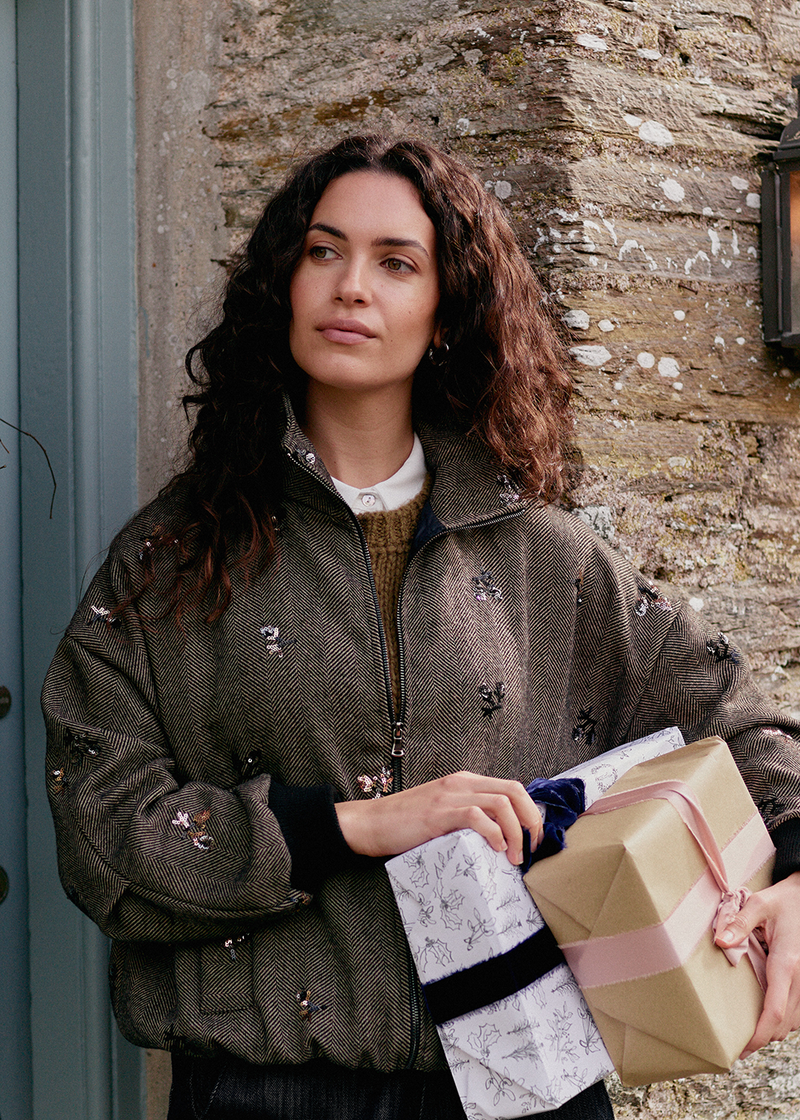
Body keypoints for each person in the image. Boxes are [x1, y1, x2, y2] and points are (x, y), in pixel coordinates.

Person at [42, 133, 800, 1120]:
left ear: (444, 315)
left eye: (395, 262)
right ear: (284, 284)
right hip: (263, 1091)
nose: (350, 285)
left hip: (528, 1084)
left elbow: (732, 723)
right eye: (323, 251)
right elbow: (101, 826)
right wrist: (343, 826)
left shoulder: (544, 555)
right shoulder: (178, 557)